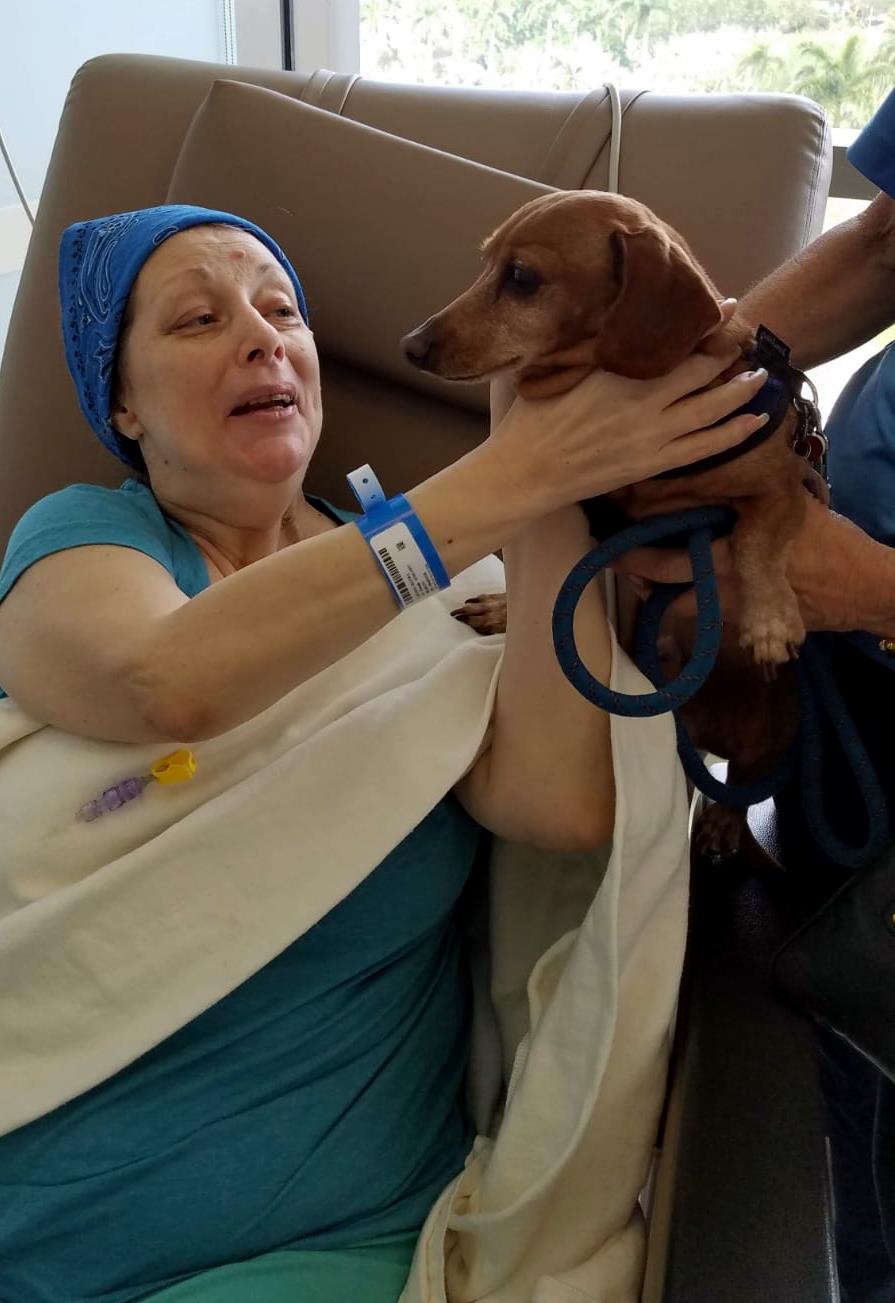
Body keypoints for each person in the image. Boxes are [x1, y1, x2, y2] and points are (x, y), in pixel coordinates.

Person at [0, 204, 764, 1303]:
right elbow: (164, 678)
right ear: (122, 403)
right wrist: (507, 478)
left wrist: (538, 436)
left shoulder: (457, 605)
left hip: (316, 1251)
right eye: (198, 320)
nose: (261, 337)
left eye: (281, 311)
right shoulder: (81, 537)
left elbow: (559, 808)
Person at [617, 88, 895, 1301]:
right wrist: (696, 381)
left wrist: (871, 591)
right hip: (846, 745)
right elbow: (883, 245)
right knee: (856, 1130)